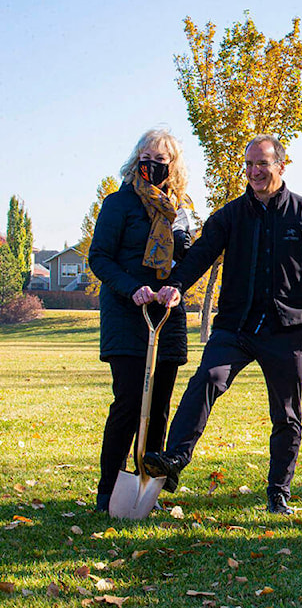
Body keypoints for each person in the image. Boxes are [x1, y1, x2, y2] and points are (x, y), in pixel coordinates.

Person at [143, 134, 302, 516]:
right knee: (206, 379)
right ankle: (174, 459)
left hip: (287, 330)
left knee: (286, 414)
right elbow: (200, 255)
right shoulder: (230, 215)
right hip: (235, 327)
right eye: (250, 165)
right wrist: (174, 286)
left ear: (281, 166)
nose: (255, 171)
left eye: (263, 164)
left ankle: (278, 492)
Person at [88, 129, 194, 512]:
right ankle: (109, 490)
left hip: (166, 314)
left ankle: (149, 485)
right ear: (137, 160)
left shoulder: (180, 208)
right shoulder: (119, 204)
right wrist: (132, 288)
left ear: (172, 165)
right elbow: (99, 257)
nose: (152, 164)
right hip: (128, 312)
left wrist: (177, 286)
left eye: (161, 159)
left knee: (160, 404)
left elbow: (188, 259)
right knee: (130, 401)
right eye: (146, 157)